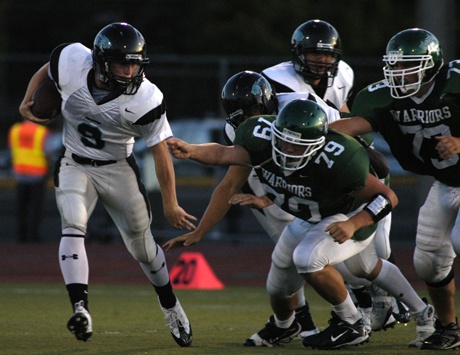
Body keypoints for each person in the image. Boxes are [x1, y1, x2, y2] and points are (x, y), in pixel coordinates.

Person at [165, 98, 435, 350]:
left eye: (297, 146)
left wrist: (354, 224)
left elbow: (387, 197)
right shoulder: (261, 138)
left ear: (318, 144)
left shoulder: (339, 159)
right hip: (312, 217)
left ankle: (352, 323)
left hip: (348, 214)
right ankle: (423, 313)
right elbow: (225, 155)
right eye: (283, 142)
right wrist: (192, 151)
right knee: (282, 285)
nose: (288, 150)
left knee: (307, 259)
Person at [18, 22, 196, 347]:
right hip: (75, 162)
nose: (129, 70)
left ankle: (170, 305)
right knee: (72, 225)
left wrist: (170, 201)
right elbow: (48, 68)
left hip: (118, 169)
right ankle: (80, 309)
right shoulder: (73, 60)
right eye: (121, 63)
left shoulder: (146, 97)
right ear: (100, 61)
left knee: (142, 247)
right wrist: (27, 100)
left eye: (134, 63)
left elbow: (160, 152)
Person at [262, 18, 408, 332]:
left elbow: (340, 111)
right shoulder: (277, 81)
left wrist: (357, 145)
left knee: (378, 249)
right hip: (304, 166)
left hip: (339, 159)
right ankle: (363, 309)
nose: (323, 60)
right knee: (327, 251)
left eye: (328, 55)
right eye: (315, 53)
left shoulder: (343, 73)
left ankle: (395, 305)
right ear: (298, 53)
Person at [329, 28, 460, 350]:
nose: (399, 73)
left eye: (408, 65)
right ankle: (449, 328)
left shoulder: (455, 82)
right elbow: (353, 126)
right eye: (395, 65)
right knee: (429, 263)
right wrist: (314, 134)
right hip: (446, 183)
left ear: (432, 64)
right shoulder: (382, 97)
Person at [8, 119, 51, 243]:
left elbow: (12, 149)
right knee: (35, 207)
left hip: (20, 173)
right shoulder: (41, 131)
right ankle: (33, 236)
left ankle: (21, 235)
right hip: (37, 174)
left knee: (22, 206)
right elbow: (47, 152)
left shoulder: (15, 130)